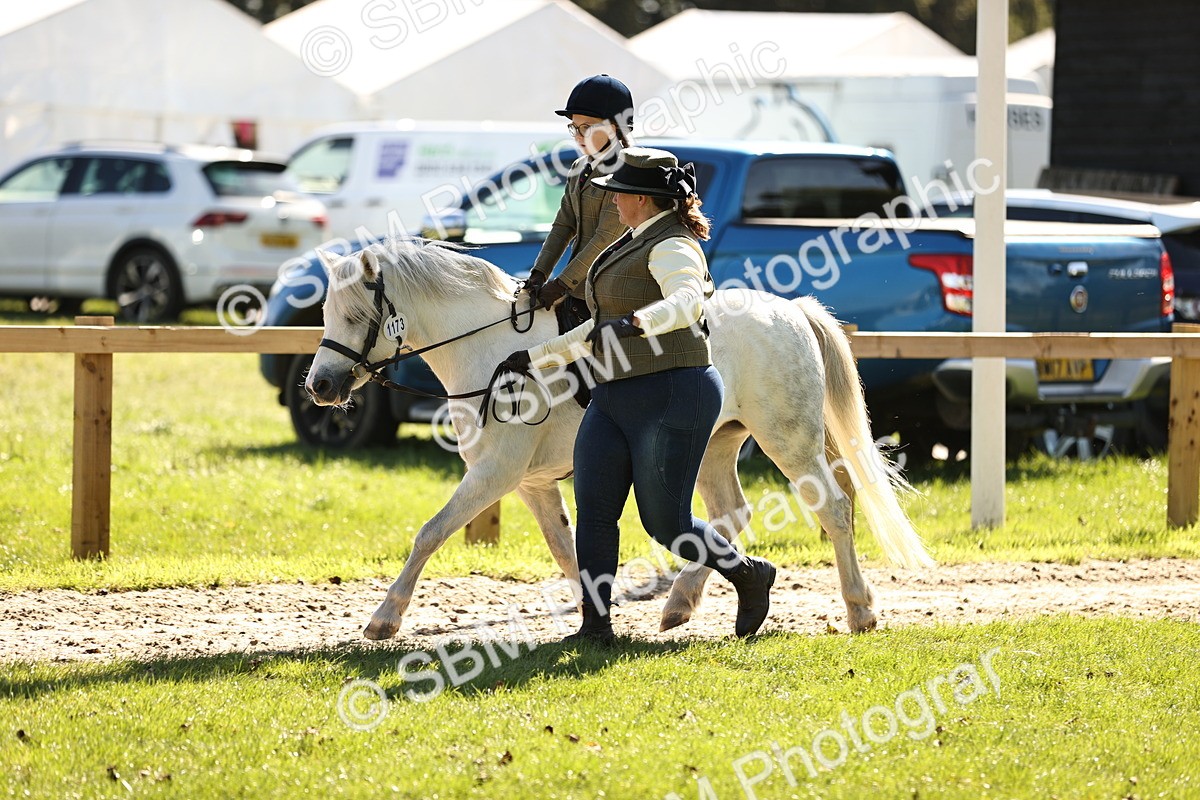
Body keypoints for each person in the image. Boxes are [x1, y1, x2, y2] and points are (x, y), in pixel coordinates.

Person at [499, 147, 777, 643]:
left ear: (643, 199)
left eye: (619, 193)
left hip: (675, 391)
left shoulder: (674, 246)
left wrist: (637, 322)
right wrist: (537, 357)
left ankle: (749, 574)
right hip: (614, 394)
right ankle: (596, 625)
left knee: (665, 524)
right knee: (596, 509)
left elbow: (688, 301)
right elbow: (596, 325)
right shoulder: (625, 243)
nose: (612, 200)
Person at [526, 74, 632, 330]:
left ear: (614, 128)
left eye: (587, 127)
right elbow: (563, 225)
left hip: (613, 296)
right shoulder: (579, 167)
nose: (578, 135)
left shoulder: (626, 169)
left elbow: (605, 238)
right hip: (578, 293)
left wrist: (561, 283)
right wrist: (539, 274)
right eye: (575, 127)